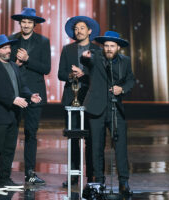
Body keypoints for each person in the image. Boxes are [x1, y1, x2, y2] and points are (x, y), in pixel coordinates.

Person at [0, 34, 41, 191]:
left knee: (9, 149)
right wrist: (12, 99)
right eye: (4, 48)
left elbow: (22, 86)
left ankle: (5, 178)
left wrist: (30, 95)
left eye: (9, 47)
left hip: (13, 115)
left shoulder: (14, 66)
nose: (8, 50)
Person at [81, 31, 135, 196]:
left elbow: (130, 80)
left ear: (118, 47)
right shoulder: (96, 57)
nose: (109, 49)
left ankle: (123, 182)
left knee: (120, 147)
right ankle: (98, 180)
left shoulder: (125, 61)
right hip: (96, 108)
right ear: (103, 47)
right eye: (106, 46)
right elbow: (86, 59)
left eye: (112, 46)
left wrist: (122, 89)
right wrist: (85, 57)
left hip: (115, 108)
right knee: (96, 146)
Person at [9, 7, 51, 185]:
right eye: (23, 22)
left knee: (31, 134)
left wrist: (28, 60)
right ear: (20, 23)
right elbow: (6, 64)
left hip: (35, 93)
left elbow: (46, 68)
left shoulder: (43, 41)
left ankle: (30, 173)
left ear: (34, 24)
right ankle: (4, 173)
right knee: (10, 132)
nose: (26, 25)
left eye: (29, 22)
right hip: (15, 91)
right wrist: (16, 62)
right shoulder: (11, 40)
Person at [58, 16, 101, 187]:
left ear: (89, 31)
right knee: (73, 139)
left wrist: (85, 74)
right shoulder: (67, 49)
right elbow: (60, 74)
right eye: (76, 28)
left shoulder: (97, 50)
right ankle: (73, 174)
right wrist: (71, 75)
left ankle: (91, 176)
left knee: (91, 139)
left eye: (82, 28)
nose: (79, 31)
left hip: (91, 99)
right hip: (71, 99)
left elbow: (100, 75)